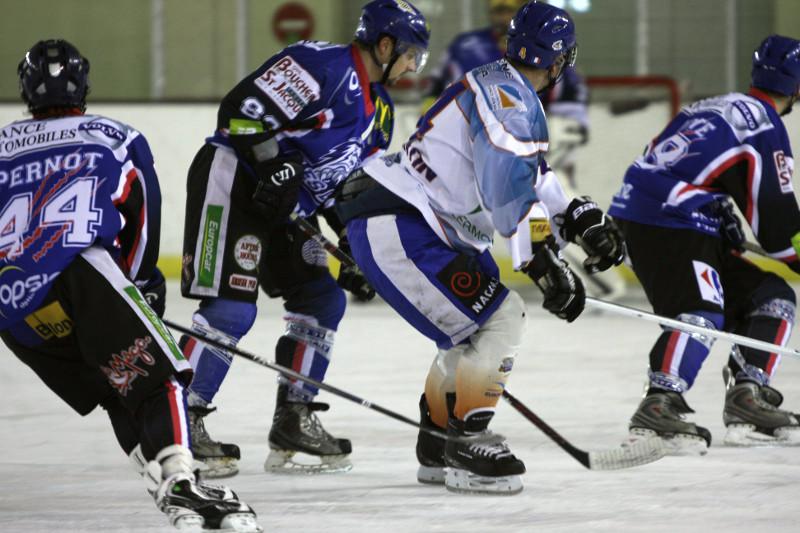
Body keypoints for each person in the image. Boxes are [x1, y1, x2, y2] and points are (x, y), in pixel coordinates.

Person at [335, 1, 624, 494]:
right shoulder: (512, 102)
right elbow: (507, 195)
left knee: (471, 331)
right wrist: (544, 264)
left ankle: (439, 440)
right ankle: (467, 441)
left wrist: (575, 216)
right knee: (501, 317)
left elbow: (530, 175)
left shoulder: (498, 84)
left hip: (410, 221)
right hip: (405, 224)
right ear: (557, 61)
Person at [0, 40, 260, 531]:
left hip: (15, 308)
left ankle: (166, 488)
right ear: (84, 84)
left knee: (113, 389)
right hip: (84, 274)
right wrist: (141, 287)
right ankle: (182, 483)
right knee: (155, 379)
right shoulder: (114, 136)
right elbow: (142, 217)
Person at [178, 0, 430, 476]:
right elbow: (240, 110)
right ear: (385, 45)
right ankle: (178, 419)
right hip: (234, 180)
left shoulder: (381, 114)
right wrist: (274, 160)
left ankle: (293, 417)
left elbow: (341, 186)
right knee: (231, 310)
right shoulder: (323, 66)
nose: (415, 66)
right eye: (412, 54)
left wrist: (354, 246)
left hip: (287, 210)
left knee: (322, 299)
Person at [608, 35, 800, 454]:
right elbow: (777, 222)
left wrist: (719, 213)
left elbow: (666, 160)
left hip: (664, 219)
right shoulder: (766, 124)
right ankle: (659, 405)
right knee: (700, 312)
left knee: (772, 298)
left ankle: (749, 396)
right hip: (671, 222)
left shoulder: (712, 104)